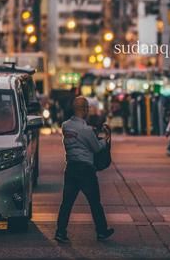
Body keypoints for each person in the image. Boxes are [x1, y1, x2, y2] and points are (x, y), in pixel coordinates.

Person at [55, 97, 114, 243]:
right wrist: (106, 138)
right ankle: (101, 231)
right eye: (87, 107)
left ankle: (60, 232)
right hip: (86, 169)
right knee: (94, 202)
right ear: (85, 109)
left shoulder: (65, 126)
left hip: (71, 167)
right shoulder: (85, 129)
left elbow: (79, 137)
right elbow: (96, 148)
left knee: (67, 202)